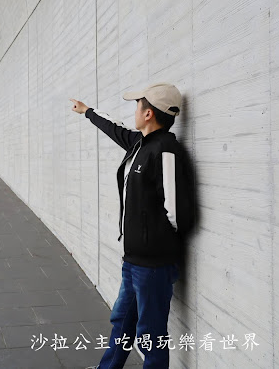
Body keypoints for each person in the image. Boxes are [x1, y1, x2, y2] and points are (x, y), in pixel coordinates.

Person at [70, 83, 195, 368]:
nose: (134, 112)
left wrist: (154, 245)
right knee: (122, 322)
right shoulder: (142, 143)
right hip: (134, 261)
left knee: (150, 335)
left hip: (152, 265)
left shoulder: (165, 150)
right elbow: (117, 130)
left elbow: (178, 214)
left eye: (137, 106)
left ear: (148, 113)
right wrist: (88, 111)